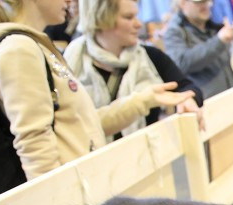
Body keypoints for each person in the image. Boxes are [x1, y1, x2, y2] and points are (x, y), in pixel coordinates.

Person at [0, 0, 194, 182]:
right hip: (72, 198)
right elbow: (34, 143)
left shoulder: (32, 46)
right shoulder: (18, 48)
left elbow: (81, 126)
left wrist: (145, 99)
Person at [65, 0, 204, 141]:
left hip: (148, 156)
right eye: (128, 17)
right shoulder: (69, 65)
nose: (138, 24)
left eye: (136, 16)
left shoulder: (150, 57)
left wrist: (187, 100)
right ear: (102, 19)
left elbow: (187, 87)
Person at [163, 0, 233, 99]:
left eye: (207, 1)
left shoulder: (212, 26)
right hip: (208, 105)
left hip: (232, 97)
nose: (206, 5)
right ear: (182, 3)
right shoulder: (175, 32)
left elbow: (227, 62)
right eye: (199, 2)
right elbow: (181, 63)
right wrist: (219, 41)